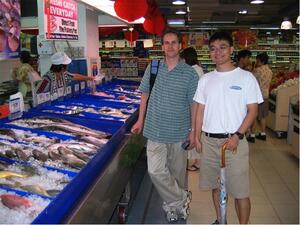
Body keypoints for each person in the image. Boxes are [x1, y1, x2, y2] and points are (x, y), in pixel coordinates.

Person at [193, 31, 263, 224]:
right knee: (216, 186)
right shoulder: (205, 79)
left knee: (240, 191)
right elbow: (200, 110)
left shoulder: (246, 78)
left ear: (231, 50)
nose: (218, 52)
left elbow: (252, 111)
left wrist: (238, 135)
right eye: (213, 49)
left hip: (235, 142)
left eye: (222, 47)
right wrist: (197, 136)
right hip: (209, 141)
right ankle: (220, 220)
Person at [131, 29, 198, 223]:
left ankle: (172, 206)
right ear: (162, 47)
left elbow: (194, 105)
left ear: (180, 46)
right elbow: (144, 95)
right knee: (156, 171)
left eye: (174, 42)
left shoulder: (189, 73)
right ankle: (181, 199)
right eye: (166, 43)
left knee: (177, 176)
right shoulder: (153, 68)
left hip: (179, 132)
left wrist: (194, 132)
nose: (170, 46)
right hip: (154, 130)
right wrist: (140, 120)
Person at [180, 47, 203, 171]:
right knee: (195, 133)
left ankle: (197, 162)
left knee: (193, 133)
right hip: (197, 106)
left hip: (194, 107)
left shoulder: (192, 71)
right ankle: (196, 160)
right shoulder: (198, 69)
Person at [249, 53, 273, 141]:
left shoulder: (257, 70)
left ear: (261, 61)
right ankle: (263, 134)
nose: (256, 62)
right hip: (265, 95)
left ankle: (252, 135)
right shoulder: (270, 71)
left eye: (257, 60)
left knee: (253, 115)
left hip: (256, 96)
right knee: (263, 116)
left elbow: (250, 78)